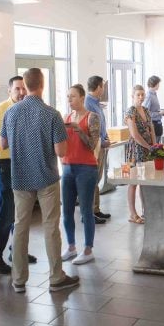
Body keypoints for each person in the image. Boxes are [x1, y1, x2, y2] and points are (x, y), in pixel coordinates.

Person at [1, 68, 79, 293]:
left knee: (20, 226)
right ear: (42, 85)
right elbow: (61, 150)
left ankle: (18, 279)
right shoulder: (51, 114)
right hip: (46, 177)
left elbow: (3, 143)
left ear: (24, 85)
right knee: (50, 227)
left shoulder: (11, 112)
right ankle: (56, 277)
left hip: (20, 177)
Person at [0, 76, 36, 275]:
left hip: (23, 162)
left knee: (20, 211)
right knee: (7, 211)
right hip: (5, 164)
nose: (21, 92)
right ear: (9, 90)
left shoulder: (28, 109)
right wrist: (12, 138)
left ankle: (18, 250)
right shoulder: (0, 109)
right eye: (17, 89)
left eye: (24, 89)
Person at [61, 84, 100, 265]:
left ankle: (88, 249)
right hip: (67, 167)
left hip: (86, 168)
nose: (70, 100)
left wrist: (78, 130)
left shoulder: (92, 117)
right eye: (68, 96)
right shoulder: (66, 117)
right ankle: (71, 246)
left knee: (86, 211)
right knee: (67, 211)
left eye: (73, 96)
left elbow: (92, 145)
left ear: (82, 98)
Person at [125, 85, 155, 224]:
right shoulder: (131, 111)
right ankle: (133, 214)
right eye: (138, 95)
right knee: (133, 182)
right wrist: (148, 146)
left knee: (146, 181)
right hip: (135, 150)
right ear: (132, 96)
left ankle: (147, 211)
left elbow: (151, 128)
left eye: (143, 94)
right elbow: (134, 134)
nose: (141, 97)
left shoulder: (146, 110)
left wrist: (154, 146)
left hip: (148, 149)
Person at [85, 76, 112, 224]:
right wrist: (102, 142)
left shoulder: (96, 103)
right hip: (95, 147)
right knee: (92, 180)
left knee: (97, 179)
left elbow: (101, 125)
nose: (104, 89)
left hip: (101, 145)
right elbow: (90, 130)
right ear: (98, 87)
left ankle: (95, 209)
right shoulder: (88, 104)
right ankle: (89, 213)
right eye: (103, 86)